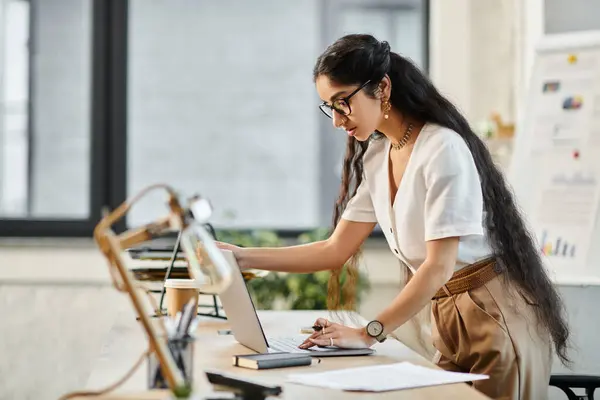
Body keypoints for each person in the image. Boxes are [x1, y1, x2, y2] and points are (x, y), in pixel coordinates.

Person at [217, 34, 570, 399]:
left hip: (494, 313)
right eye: (329, 107)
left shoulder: (441, 148)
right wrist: (239, 256)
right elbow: (335, 249)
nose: (337, 121)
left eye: (343, 103)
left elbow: (437, 267)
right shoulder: (378, 154)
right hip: (449, 314)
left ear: (382, 88)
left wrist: (369, 331)